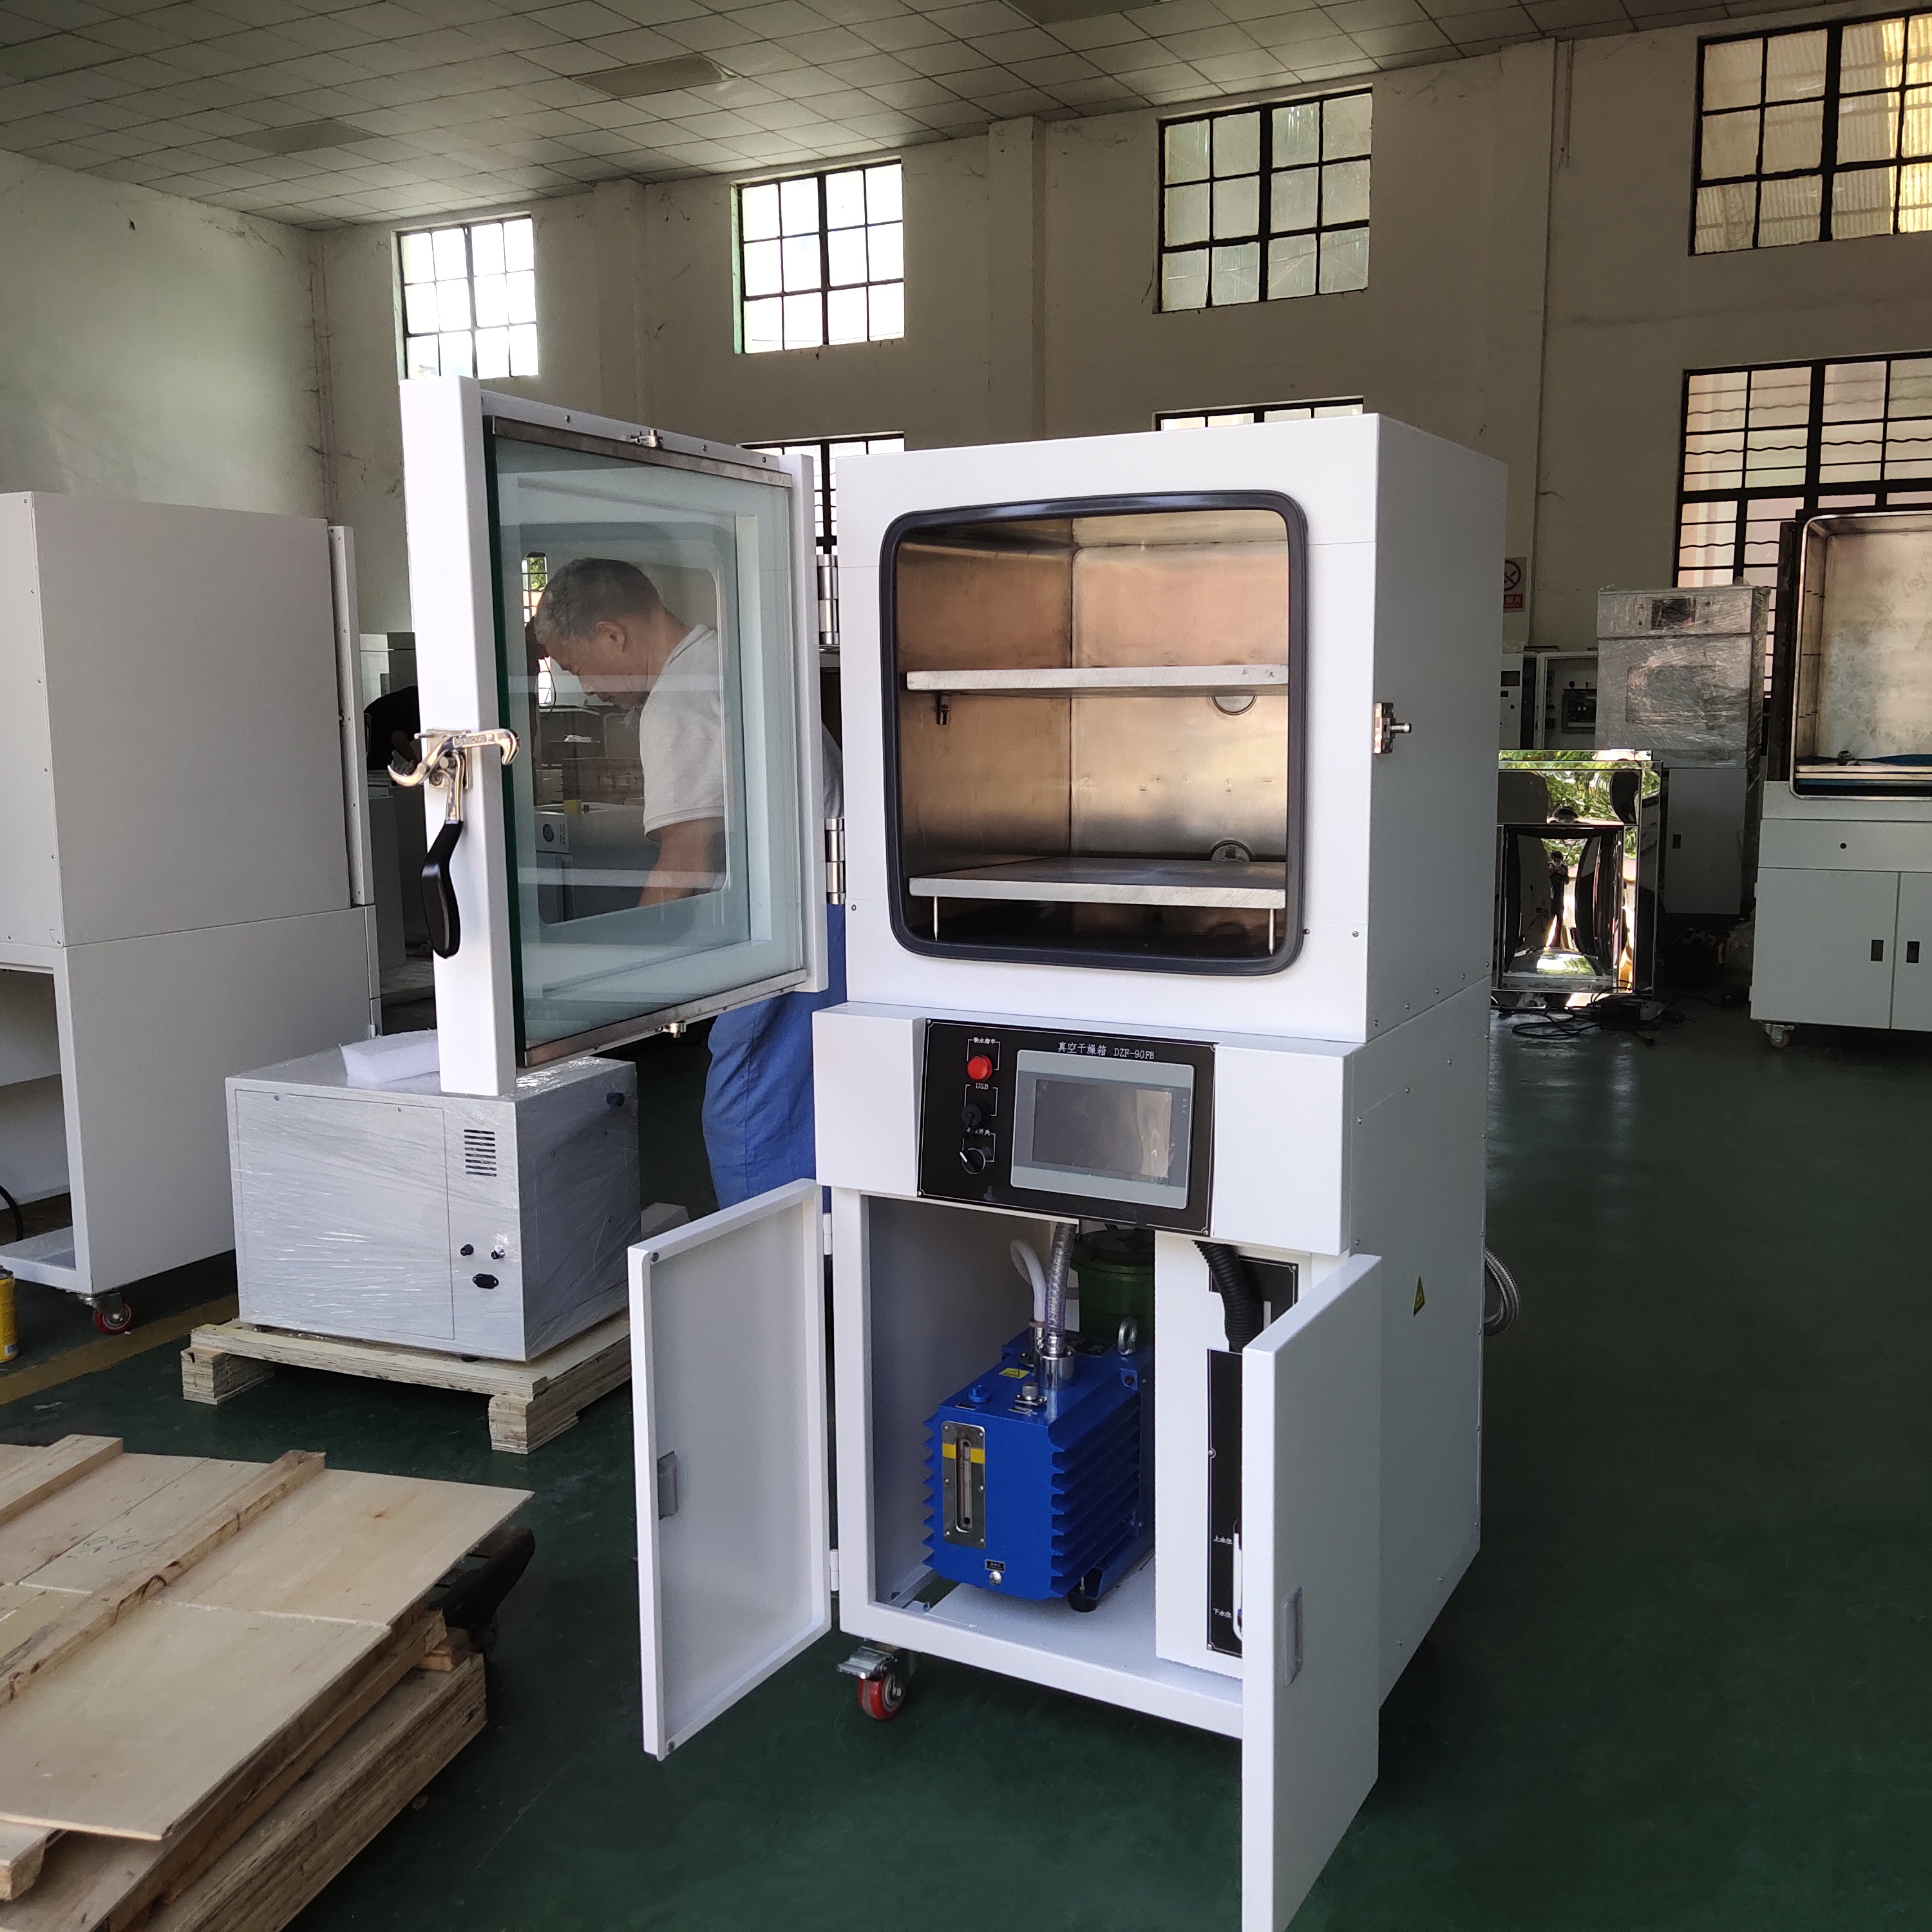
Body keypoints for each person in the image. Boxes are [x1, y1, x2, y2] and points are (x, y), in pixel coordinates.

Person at [532, 555, 846, 1208]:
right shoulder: (736, 660)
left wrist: (602, 1006)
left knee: (755, 1122)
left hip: (797, 932)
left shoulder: (678, 700)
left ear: (612, 634)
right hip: (841, 915)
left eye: (577, 666)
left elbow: (685, 862)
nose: (585, 686)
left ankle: (783, 1265)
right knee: (817, 1114)